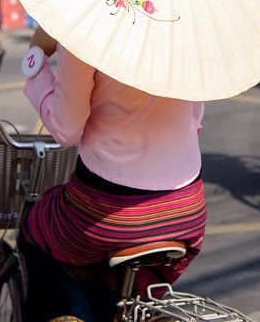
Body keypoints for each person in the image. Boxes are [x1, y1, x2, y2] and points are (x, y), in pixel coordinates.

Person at [17, 26, 207, 322]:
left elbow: (66, 129)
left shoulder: (87, 28)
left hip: (105, 212)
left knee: (35, 229)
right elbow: (195, 116)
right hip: (185, 214)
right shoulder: (185, 27)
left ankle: (67, 314)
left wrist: (36, 60)